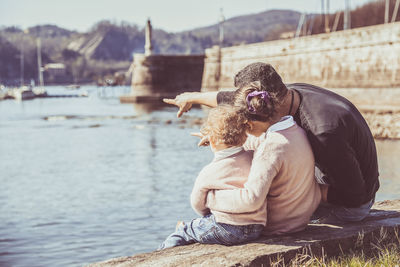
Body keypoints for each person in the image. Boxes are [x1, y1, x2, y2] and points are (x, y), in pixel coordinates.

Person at [164, 62, 379, 223]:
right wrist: (191, 97)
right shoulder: (283, 95)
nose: (245, 126)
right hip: (331, 179)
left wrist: (304, 193)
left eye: (247, 121)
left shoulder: (322, 132)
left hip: (352, 205)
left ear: (266, 101)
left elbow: (354, 195)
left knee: (252, 218)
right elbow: (229, 99)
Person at [159, 105, 264, 249]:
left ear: (211, 141)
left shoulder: (209, 171)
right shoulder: (253, 157)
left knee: (183, 232)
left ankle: (165, 251)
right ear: (245, 136)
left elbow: (197, 205)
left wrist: (206, 213)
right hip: (257, 227)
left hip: (227, 228)